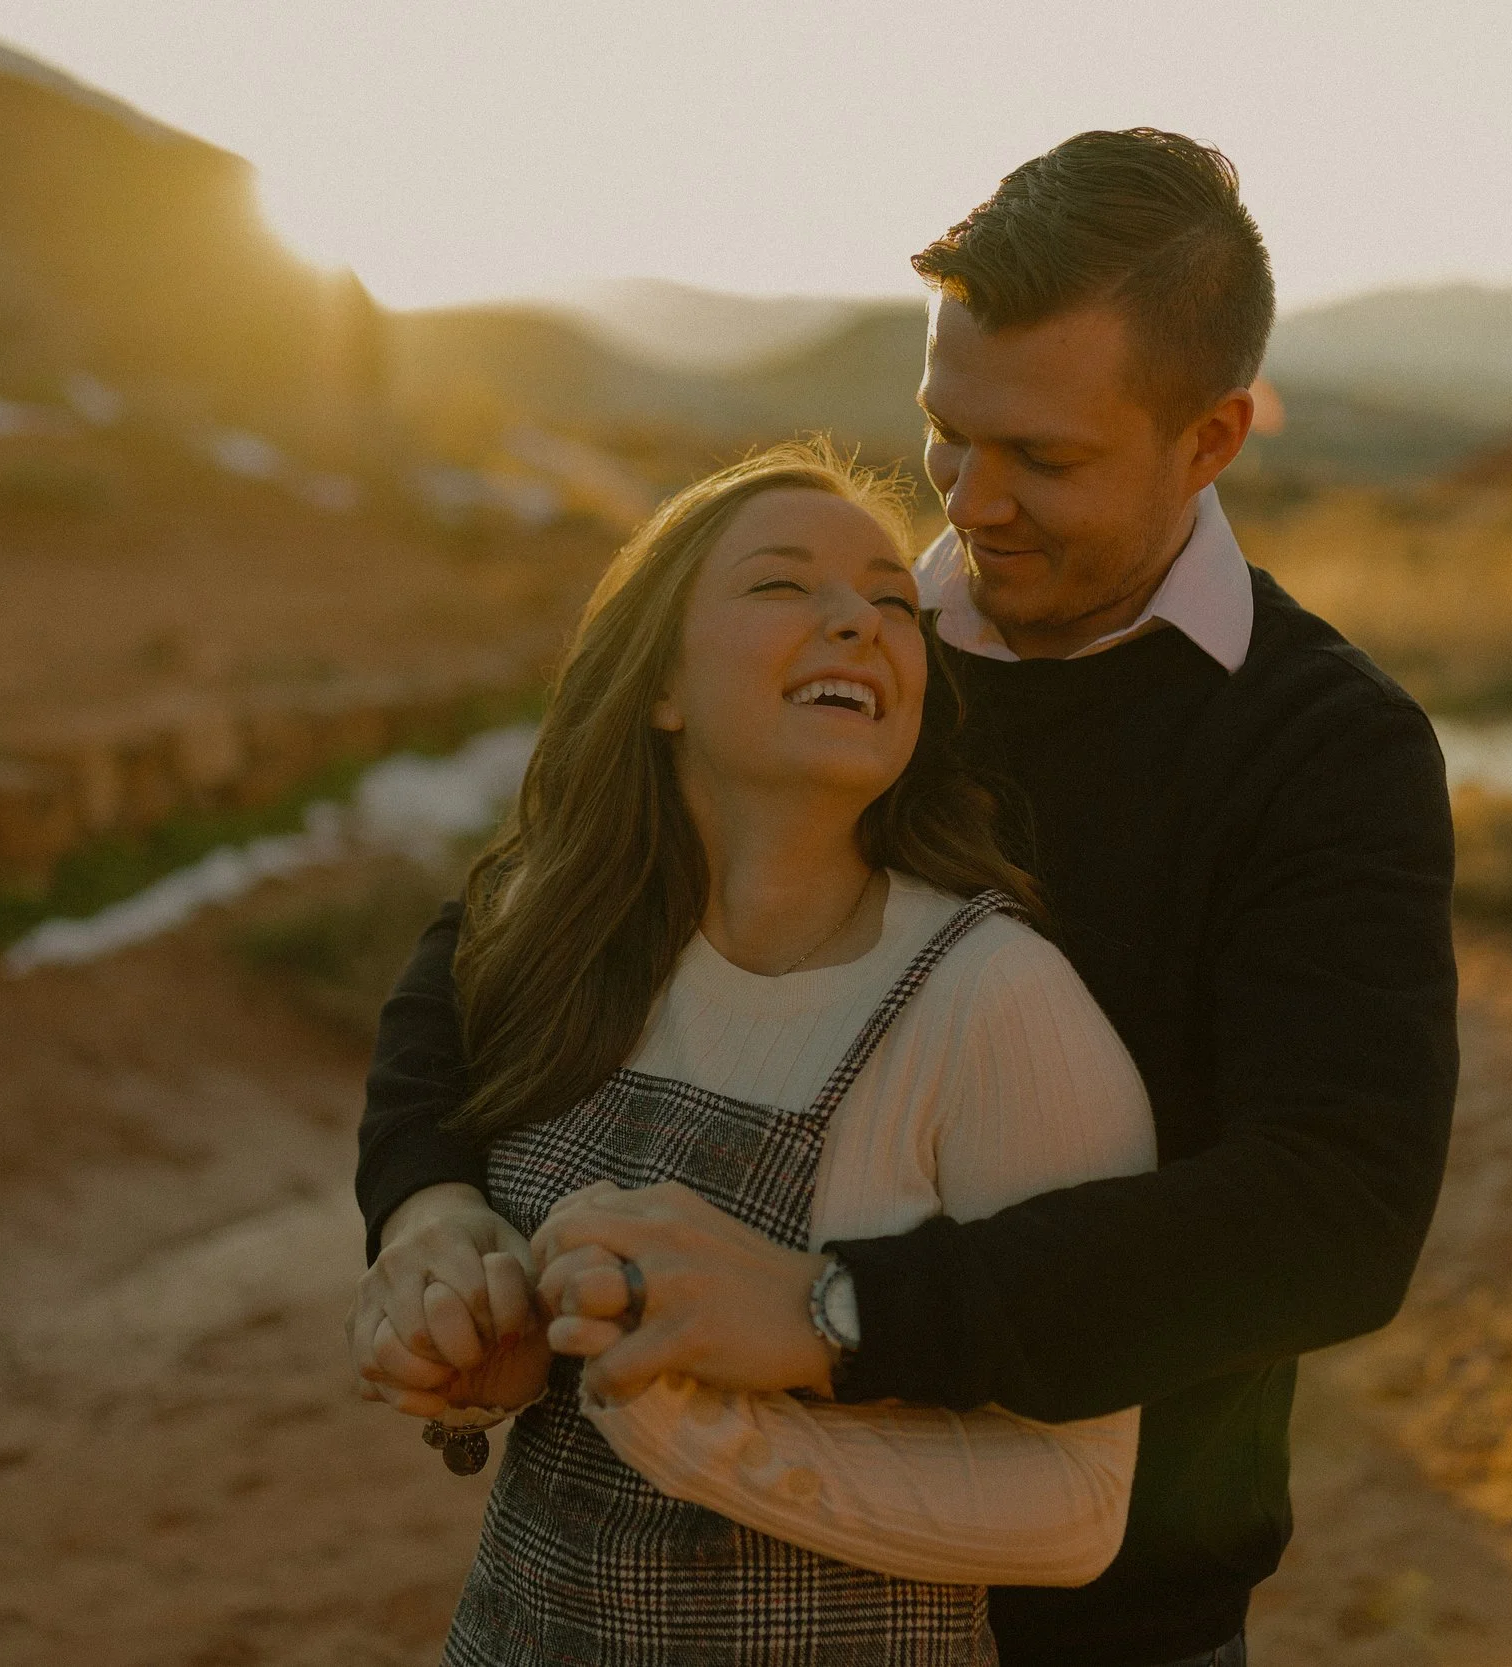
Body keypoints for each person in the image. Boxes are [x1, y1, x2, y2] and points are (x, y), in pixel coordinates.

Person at [354, 129, 1459, 1667]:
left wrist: (835, 1311)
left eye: (1046, 460)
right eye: (948, 432)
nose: (972, 503)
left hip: (1095, 1619)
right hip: (662, 1585)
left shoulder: (1321, 744)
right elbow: (510, 923)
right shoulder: (854, 655)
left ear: (1208, 438)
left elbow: (1336, 1208)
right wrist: (432, 1207)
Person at [382, 441, 1158, 1666]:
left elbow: (1077, 1503)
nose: (858, 618)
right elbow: (428, 1094)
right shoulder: (576, 945)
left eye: (894, 602)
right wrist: (470, 1313)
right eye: (783, 585)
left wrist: (709, 1436)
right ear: (660, 686)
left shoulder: (994, 1000)